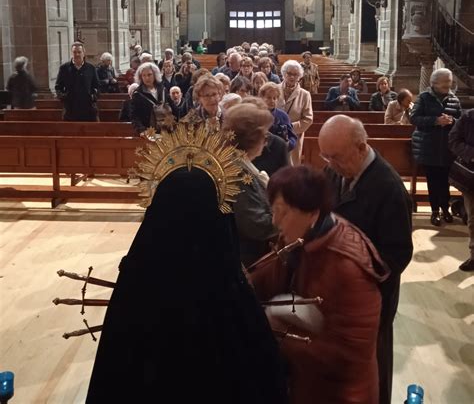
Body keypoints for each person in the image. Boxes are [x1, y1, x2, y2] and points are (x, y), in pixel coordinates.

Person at [86, 125, 288, 404]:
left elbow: (112, 378)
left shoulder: (136, 286)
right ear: (219, 220)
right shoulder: (231, 293)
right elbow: (266, 377)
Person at [251, 165, 389, 404]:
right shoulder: (301, 234)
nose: (275, 221)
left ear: (313, 213)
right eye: (273, 211)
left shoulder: (347, 265)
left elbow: (347, 355)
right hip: (305, 383)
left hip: (341, 393)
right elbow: (268, 273)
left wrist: (276, 333)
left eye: (282, 212)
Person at [319, 115, 413, 404]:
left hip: (371, 298)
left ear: (361, 148)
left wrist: (353, 269)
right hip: (338, 292)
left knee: (373, 364)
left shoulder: (389, 189)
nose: (330, 164)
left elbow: (397, 255)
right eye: (327, 156)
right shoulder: (337, 171)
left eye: (336, 157)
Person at [222, 104, 277, 266]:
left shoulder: (238, 163)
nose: (266, 142)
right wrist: (290, 218)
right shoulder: (238, 173)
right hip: (243, 259)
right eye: (265, 136)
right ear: (252, 139)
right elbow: (256, 225)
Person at [410, 68, 462, 226]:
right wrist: (435, 121)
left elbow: (460, 120)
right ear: (434, 83)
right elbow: (414, 118)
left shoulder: (454, 99)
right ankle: (434, 211)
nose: (449, 85)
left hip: (447, 148)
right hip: (429, 146)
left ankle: (445, 209)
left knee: (445, 180)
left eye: (450, 82)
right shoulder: (424, 98)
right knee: (432, 181)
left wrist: (452, 121)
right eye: (445, 82)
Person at [448, 109, 474, 271]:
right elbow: (453, 140)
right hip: (472, 176)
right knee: (473, 217)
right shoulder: (468, 117)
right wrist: (472, 154)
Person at [277, 60, 313, 166]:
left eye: (295, 74)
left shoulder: (305, 95)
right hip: (275, 136)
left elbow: (308, 119)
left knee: (292, 167)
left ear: (300, 76)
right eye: (289, 74)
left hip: (294, 137)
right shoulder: (274, 89)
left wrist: (290, 127)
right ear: (283, 74)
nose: (292, 77)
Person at [55, 42, 99, 121]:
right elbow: (58, 87)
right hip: (70, 109)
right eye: (74, 52)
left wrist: (93, 97)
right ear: (71, 53)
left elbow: (97, 86)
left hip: (88, 108)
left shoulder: (91, 68)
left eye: (79, 52)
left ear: (84, 53)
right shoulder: (64, 68)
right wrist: (64, 97)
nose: (77, 54)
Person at [259, 82, 297, 151]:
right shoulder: (256, 114)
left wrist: (288, 144)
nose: (272, 101)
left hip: (279, 153)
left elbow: (292, 137)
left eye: (275, 98)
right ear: (262, 98)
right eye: (269, 97)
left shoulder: (283, 115)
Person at [130, 62, 165, 134]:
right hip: (148, 131)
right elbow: (134, 116)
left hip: (164, 130)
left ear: (155, 75)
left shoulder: (162, 89)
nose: (147, 78)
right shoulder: (138, 94)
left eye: (149, 75)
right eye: (144, 75)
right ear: (140, 77)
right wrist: (142, 130)